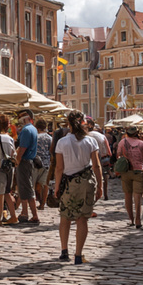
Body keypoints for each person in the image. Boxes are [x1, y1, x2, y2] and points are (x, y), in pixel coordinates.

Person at [54, 110, 102, 265]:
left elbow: (59, 168)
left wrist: (56, 187)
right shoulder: (90, 141)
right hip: (87, 180)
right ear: (83, 122)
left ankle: (64, 250)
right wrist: (100, 186)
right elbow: (96, 165)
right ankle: (78, 254)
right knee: (83, 218)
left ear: (68, 123)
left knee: (65, 216)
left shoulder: (62, 142)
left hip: (69, 182)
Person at [0, 114, 18, 226]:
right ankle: (13, 216)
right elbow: (12, 153)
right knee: (6, 192)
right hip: (9, 168)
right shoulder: (10, 138)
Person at [118, 126, 143, 228]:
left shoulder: (122, 142)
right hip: (139, 171)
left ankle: (131, 219)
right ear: (137, 133)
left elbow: (118, 155)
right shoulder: (142, 144)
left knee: (127, 196)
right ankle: (138, 220)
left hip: (126, 171)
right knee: (138, 197)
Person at [14, 109, 41, 223]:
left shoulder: (26, 130)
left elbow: (22, 149)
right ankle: (24, 212)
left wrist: (17, 161)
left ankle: (34, 214)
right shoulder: (33, 129)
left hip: (24, 161)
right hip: (29, 161)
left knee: (27, 187)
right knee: (23, 187)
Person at [85, 118, 111, 209]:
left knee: (91, 178)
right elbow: (109, 151)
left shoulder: (85, 136)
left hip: (90, 159)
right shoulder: (102, 136)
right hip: (104, 158)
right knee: (104, 176)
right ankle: (105, 193)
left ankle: (92, 196)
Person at [35, 118, 53, 211]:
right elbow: (52, 151)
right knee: (45, 185)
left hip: (36, 163)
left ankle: (36, 203)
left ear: (37, 127)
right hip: (47, 163)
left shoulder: (35, 137)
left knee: (34, 184)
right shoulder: (50, 138)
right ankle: (42, 204)